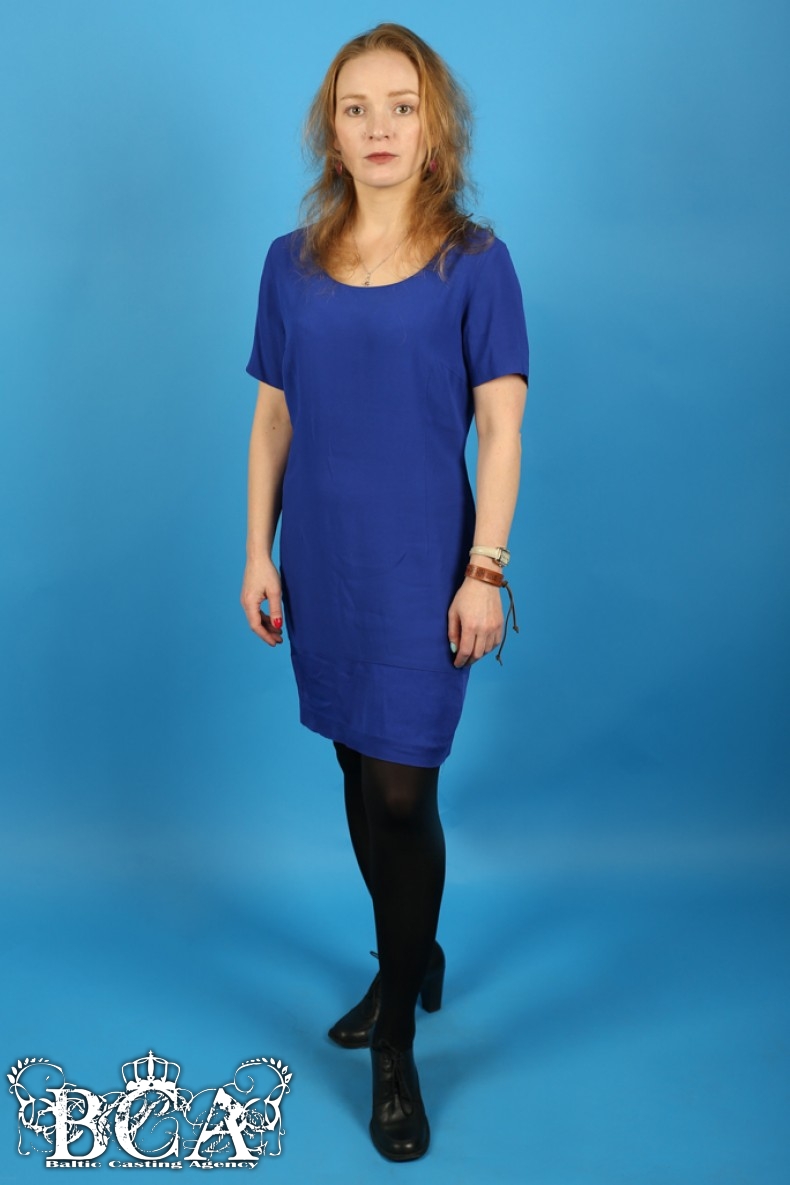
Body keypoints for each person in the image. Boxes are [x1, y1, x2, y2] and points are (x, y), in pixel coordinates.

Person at [240, 22, 529, 1162]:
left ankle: (396, 1039)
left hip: (423, 565)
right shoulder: (289, 263)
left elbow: (500, 428)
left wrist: (485, 569)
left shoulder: (475, 262)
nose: (378, 128)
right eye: (355, 108)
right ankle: (412, 953)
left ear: (433, 124)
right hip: (323, 561)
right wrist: (257, 552)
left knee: (404, 794)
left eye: (400, 106)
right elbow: (273, 416)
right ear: (331, 129)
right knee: (360, 775)